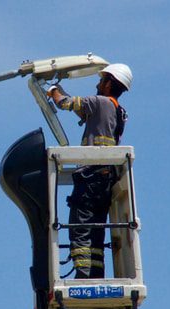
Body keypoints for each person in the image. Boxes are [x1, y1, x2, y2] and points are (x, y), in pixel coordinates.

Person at [46, 64, 132, 279]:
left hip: (91, 175)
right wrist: (59, 88)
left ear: (109, 83)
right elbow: (79, 107)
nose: (97, 83)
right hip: (104, 179)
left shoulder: (100, 102)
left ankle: (84, 276)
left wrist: (52, 90)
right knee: (95, 231)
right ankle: (94, 275)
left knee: (80, 227)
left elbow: (64, 103)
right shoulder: (115, 109)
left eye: (101, 80)